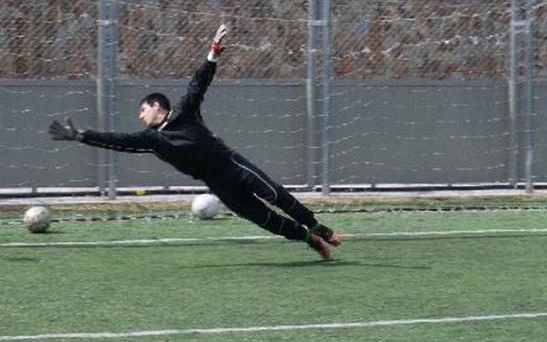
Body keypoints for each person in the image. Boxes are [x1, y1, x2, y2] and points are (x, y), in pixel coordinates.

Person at [50, 24, 343, 260]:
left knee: (275, 195)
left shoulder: (184, 112)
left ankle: (318, 226)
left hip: (234, 165)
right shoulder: (153, 140)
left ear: (156, 105)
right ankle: (309, 239)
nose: (140, 117)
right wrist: (81, 135)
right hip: (220, 186)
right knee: (265, 220)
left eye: (142, 110)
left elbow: (198, 83)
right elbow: (120, 141)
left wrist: (212, 54)